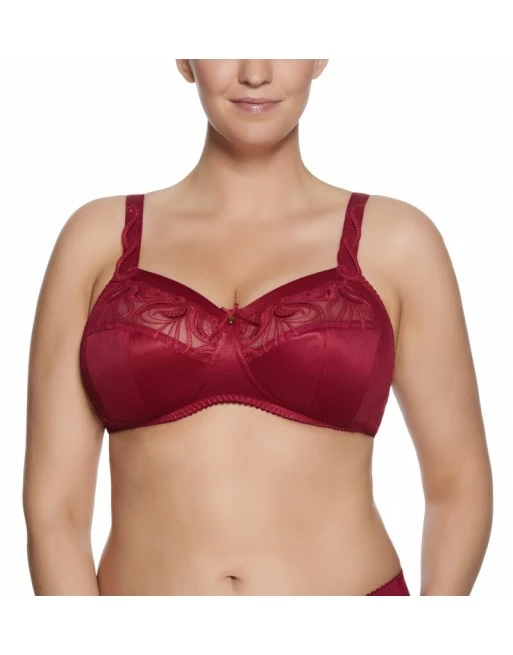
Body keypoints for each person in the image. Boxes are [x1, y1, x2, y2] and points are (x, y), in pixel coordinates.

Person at [23, 59, 493, 596]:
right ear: (185, 57)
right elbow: (54, 509)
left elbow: (459, 484)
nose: (255, 73)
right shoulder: (97, 240)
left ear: (319, 55)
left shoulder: (399, 242)